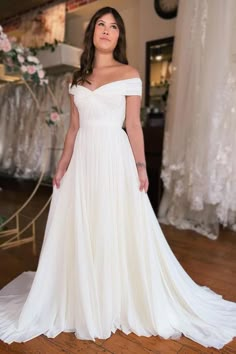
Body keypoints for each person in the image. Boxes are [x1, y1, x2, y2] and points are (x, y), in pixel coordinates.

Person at [0, 6, 236, 349]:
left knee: (113, 222)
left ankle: (113, 290)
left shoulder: (130, 72)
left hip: (114, 156)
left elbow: (134, 125)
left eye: (113, 26)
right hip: (82, 159)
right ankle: (83, 289)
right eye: (101, 24)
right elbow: (73, 128)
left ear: (118, 36)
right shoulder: (76, 80)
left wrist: (140, 167)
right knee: (84, 223)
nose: (107, 30)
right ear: (92, 33)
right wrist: (62, 163)